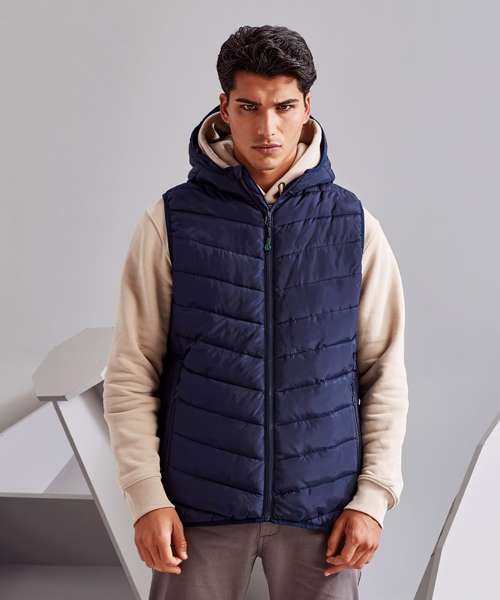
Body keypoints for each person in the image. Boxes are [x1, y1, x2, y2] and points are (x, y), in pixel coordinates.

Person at [103, 24, 409, 600]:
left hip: (324, 511)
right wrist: (146, 496)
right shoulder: (170, 220)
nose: (267, 128)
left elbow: (383, 373)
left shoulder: (354, 227)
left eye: (283, 107)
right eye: (249, 107)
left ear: (307, 107)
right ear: (224, 107)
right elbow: (132, 368)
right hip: (198, 508)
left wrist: (373, 498)